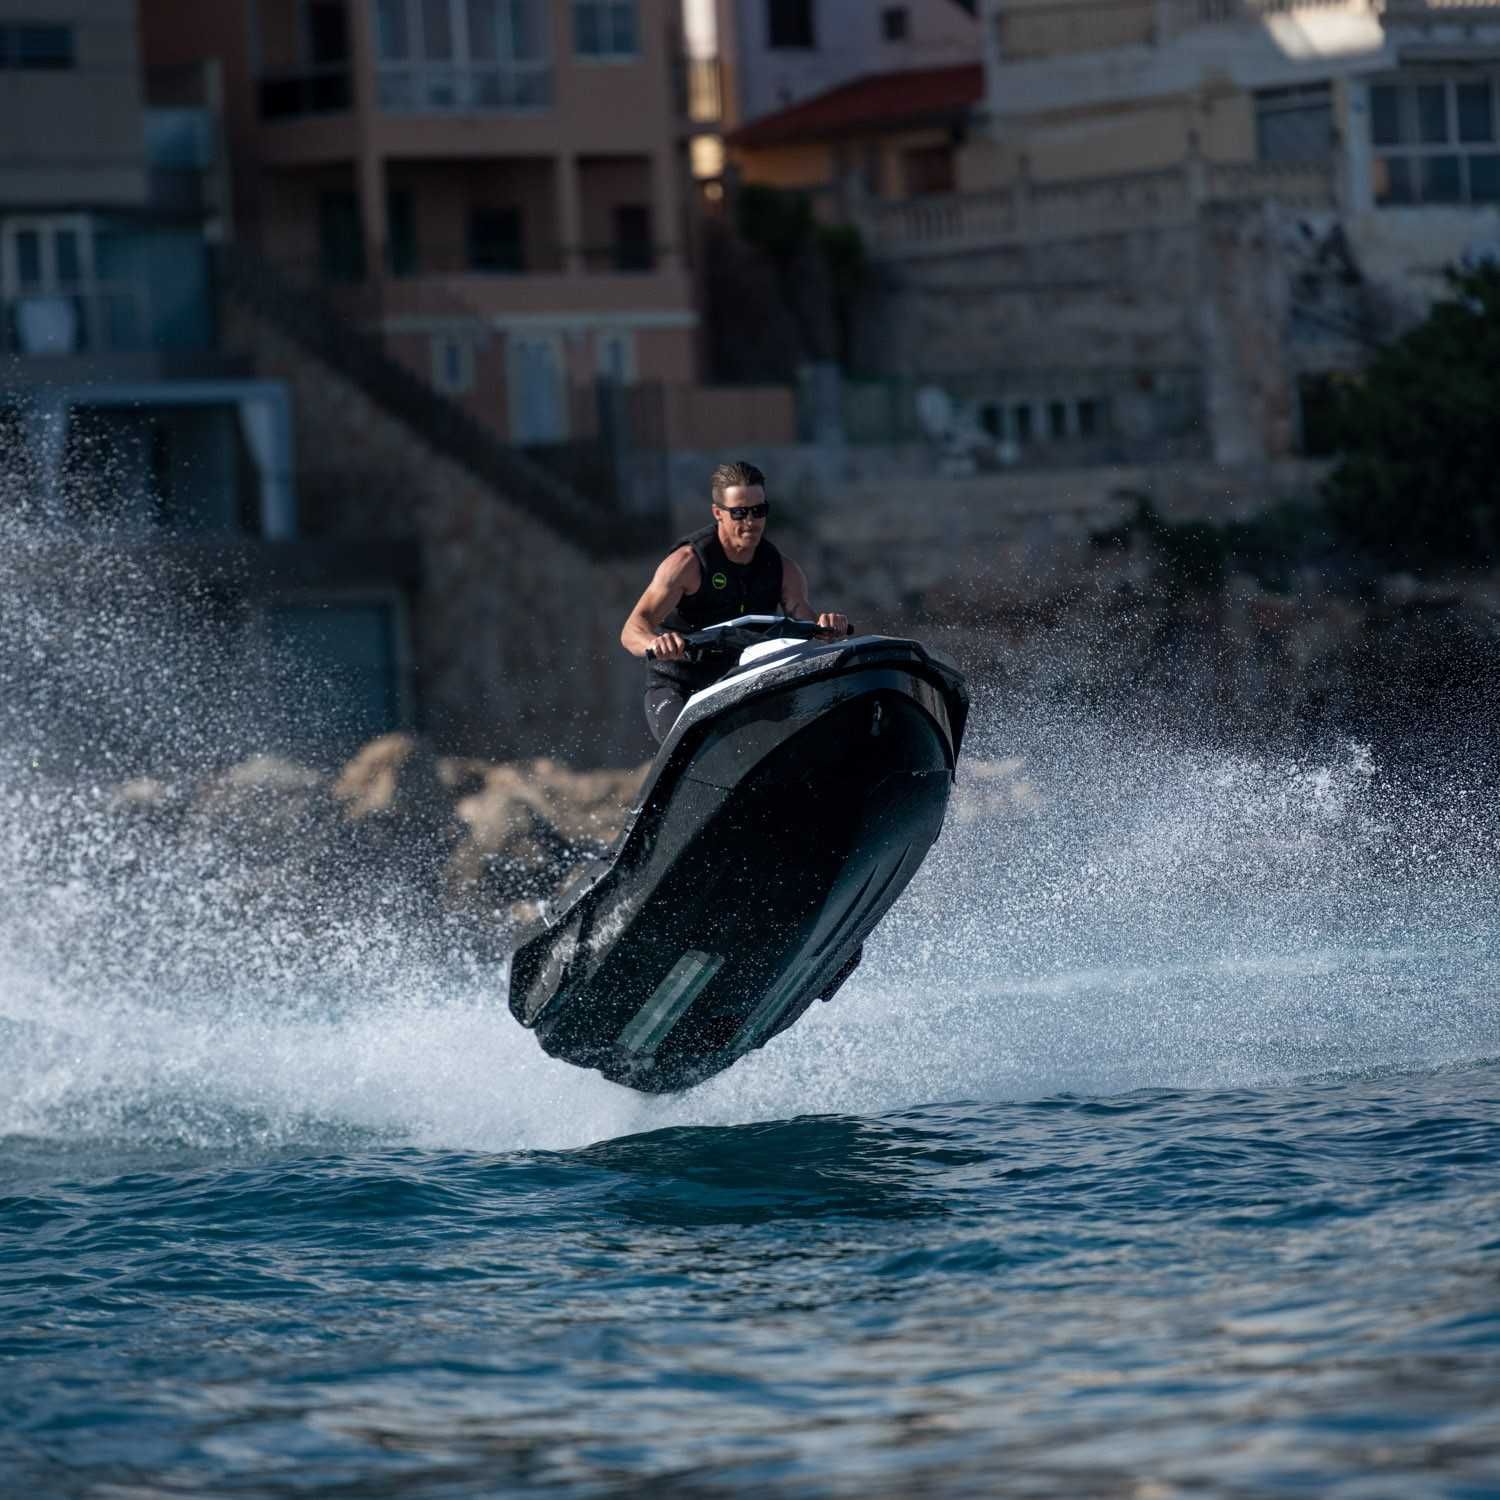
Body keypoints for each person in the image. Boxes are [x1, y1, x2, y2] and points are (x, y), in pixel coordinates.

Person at [621, 460, 851, 744]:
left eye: (759, 511)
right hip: (679, 687)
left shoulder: (783, 570)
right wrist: (654, 644)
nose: (751, 522)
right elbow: (632, 629)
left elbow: (808, 624)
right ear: (718, 513)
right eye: (740, 513)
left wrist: (828, 628)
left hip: (741, 684)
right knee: (688, 745)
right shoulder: (687, 565)